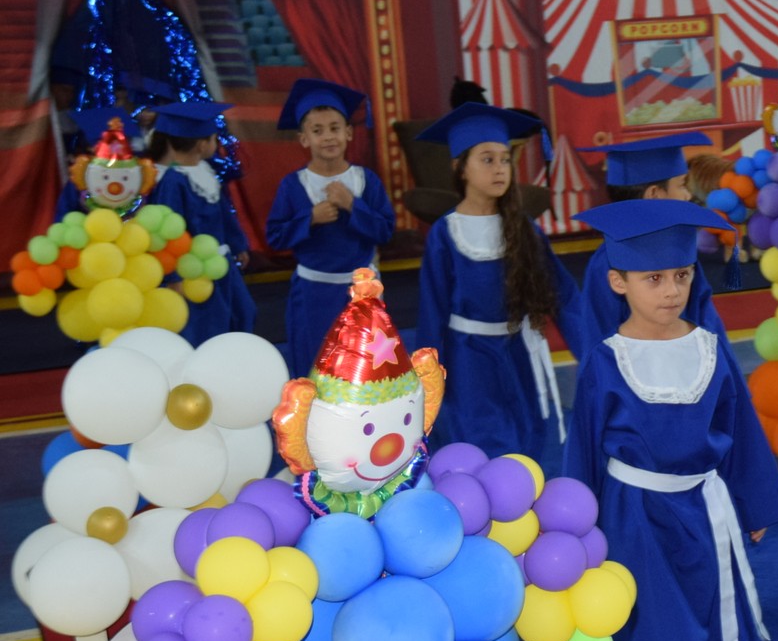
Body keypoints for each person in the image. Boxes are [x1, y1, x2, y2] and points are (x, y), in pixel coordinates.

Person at [561, 199, 778, 641]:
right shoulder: (607, 360)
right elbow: (583, 449)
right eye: (653, 278)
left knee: (709, 619)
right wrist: (576, 534)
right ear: (619, 282)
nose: (670, 291)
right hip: (635, 516)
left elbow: (738, 427)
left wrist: (754, 505)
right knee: (658, 633)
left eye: (681, 275)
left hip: (705, 511)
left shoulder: (710, 348)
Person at [414, 103, 588, 467]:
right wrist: (428, 381)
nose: (499, 169)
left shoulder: (524, 228)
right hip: (469, 363)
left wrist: (592, 353)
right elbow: (432, 312)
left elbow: (563, 296)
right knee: (481, 449)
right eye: (487, 160)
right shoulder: (446, 234)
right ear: (460, 167)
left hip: (518, 355)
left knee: (525, 447)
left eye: (505, 160)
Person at [263, 79, 396, 376]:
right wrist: (310, 218)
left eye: (335, 128)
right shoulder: (293, 185)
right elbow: (275, 236)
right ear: (304, 139)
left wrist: (352, 205)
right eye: (318, 130)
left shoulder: (365, 181)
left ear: (348, 133)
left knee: (364, 369)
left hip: (360, 294)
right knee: (316, 365)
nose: (328, 137)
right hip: (313, 294)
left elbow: (385, 230)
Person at [571, 133, 734, 367]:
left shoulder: (680, 252)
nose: (688, 195)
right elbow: (600, 343)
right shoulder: (608, 263)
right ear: (655, 195)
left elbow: (708, 327)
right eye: (682, 185)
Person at [144, 99, 254, 343]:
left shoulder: (205, 171)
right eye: (214, 139)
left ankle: (238, 355)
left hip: (221, 261)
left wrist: (238, 244)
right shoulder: (173, 182)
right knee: (207, 324)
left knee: (242, 312)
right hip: (194, 269)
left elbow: (223, 213)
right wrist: (173, 277)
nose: (216, 144)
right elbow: (168, 233)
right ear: (202, 144)